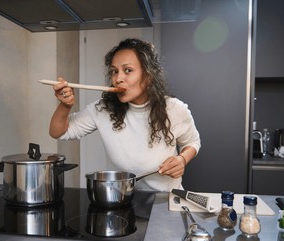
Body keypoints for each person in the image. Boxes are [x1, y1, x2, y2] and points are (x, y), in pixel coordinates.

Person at [49, 38, 200, 192]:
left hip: (166, 199)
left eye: (128, 70)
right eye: (114, 71)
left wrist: (182, 159)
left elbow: (193, 142)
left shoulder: (174, 108)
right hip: (123, 198)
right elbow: (59, 132)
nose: (118, 79)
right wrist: (65, 105)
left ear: (148, 75)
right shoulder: (103, 108)